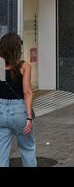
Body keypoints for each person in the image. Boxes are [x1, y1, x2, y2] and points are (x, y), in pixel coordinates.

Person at [0, 33, 37, 167]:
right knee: (27, 148)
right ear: (17, 48)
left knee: (1, 153)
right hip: (20, 111)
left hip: (1, 112)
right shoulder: (24, 66)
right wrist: (29, 117)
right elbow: (27, 92)